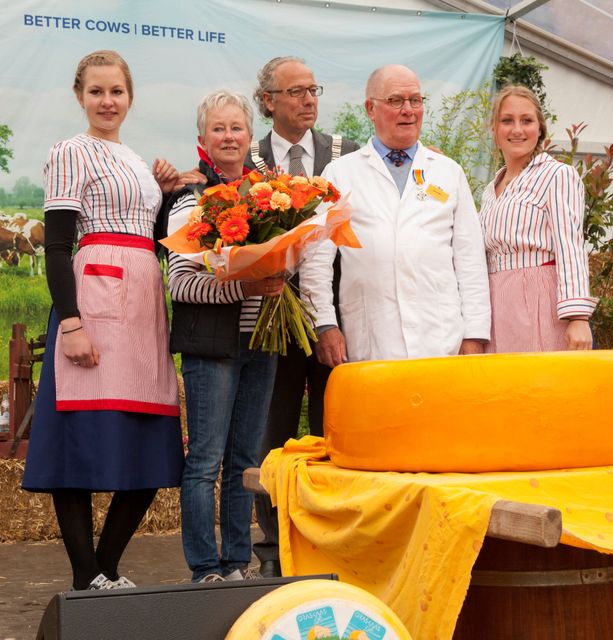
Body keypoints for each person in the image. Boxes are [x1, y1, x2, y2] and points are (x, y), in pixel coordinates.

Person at [22, 50, 184, 591]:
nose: (107, 101)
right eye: (96, 92)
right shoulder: (71, 150)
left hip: (142, 306)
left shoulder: (136, 161)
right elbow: (57, 243)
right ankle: (85, 573)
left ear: (130, 97)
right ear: (79, 96)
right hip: (94, 298)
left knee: (148, 438)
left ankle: (108, 567)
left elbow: (155, 234)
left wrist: (168, 191)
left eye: (116, 91)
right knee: (79, 440)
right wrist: (70, 323)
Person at [166, 90, 285, 583]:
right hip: (211, 350)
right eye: (218, 129)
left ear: (249, 137)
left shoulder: (269, 197)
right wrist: (245, 286)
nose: (229, 137)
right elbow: (181, 283)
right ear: (202, 141)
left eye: (236, 128)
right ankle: (204, 568)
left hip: (260, 344)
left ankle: (237, 562)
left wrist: (283, 267)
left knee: (244, 459)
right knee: (206, 460)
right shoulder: (189, 202)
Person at [249, 56, 360, 579]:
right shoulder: (246, 161)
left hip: (333, 316)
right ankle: (273, 539)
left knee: (330, 428)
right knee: (270, 428)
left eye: (313, 90)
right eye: (295, 92)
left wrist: (328, 317)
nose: (308, 100)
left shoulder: (346, 155)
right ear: (267, 100)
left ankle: (329, 535)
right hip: (269, 313)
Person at [300, 64, 491, 366]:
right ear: (370, 108)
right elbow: (316, 259)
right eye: (395, 101)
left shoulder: (448, 172)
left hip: (442, 340)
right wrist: (324, 324)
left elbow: (470, 261)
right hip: (373, 340)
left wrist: (475, 335)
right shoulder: (340, 173)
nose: (408, 110)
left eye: (415, 100)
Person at [479, 85, 596, 353]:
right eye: (507, 121)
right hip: (497, 300)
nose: (517, 129)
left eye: (527, 121)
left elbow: (571, 247)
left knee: (543, 385)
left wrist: (578, 317)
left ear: (540, 129)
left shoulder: (557, 175)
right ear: (495, 131)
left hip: (539, 296)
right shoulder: (490, 189)